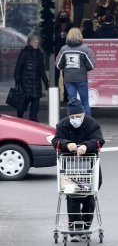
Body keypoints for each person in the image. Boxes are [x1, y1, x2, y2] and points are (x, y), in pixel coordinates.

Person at [52, 98, 105, 242]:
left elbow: (99, 140)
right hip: (70, 167)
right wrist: (66, 144)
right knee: (72, 196)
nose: (75, 120)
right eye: (72, 117)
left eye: (78, 117)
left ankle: (85, 226)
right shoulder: (62, 125)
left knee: (89, 197)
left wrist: (86, 146)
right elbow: (55, 140)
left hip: (89, 167)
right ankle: (75, 229)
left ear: (83, 114)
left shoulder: (91, 124)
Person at [56, 27, 96, 116]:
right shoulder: (85, 49)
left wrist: (65, 68)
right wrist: (84, 69)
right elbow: (92, 65)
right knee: (85, 103)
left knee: (72, 103)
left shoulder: (64, 49)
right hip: (81, 79)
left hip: (69, 79)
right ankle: (88, 124)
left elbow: (58, 65)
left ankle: (72, 124)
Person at [14, 34, 49, 122]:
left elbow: (42, 70)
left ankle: (33, 121)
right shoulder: (24, 53)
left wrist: (46, 82)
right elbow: (18, 67)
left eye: (37, 42)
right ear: (30, 42)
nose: (36, 44)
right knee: (21, 106)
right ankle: (19, 120)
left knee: (35, 107)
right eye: (34, 42)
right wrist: (17, 80)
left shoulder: (40, 54)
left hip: (36, 84)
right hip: (26, 83)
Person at [54, 10, 73, 102]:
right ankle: (55, 95)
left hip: (67, 53)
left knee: (67, 76)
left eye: (64, 15)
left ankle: (66, 96)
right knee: (56, 76)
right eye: (61, 15)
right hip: (57, 53)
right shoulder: (55, 26)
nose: (63, 17)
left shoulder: (70, 26)